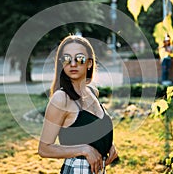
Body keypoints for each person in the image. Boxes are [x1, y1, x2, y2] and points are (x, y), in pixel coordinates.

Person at [38, 35, 118, 174]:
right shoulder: (61, 99)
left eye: (80, 58)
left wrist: (108, 145)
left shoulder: (92, 92)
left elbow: (94, 129)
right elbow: (44, 148)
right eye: (67, 59)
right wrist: (84, 149)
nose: (73, 63)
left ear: (89, 63)